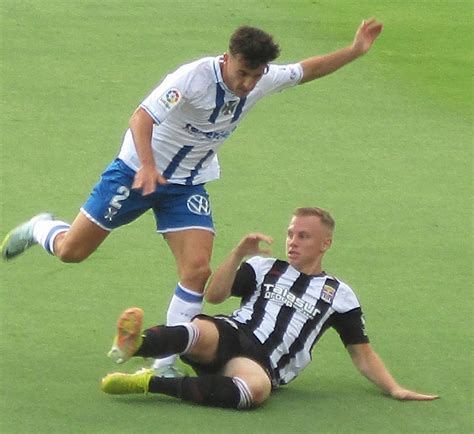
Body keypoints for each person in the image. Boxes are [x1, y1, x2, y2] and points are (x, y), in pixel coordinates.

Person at [1, 20, 383, 375]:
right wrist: (149, 166)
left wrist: (355, 50)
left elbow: (306, 70)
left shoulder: (262, 78)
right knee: (72, 251)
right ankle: (41, 227)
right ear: (227, 58)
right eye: (243, 73)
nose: (249, 84)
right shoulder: (192, 77)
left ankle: (163, 364)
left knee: (197, 270)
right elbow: (141, 118)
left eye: (257, 75)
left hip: (186, 185)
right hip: (136, 173)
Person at [101, 207, 439, 409]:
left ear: (326, 243)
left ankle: (150, 384)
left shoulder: (340, 294)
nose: (292, 241)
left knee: (256, 392)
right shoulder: (265, 268)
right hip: (231, 333)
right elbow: (216, 296)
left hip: (261, 364)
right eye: (291, 233)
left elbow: (361, 353)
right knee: (197, 329)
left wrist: (394, 388)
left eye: (303, 236)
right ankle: (135, 345)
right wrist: (238, 254)